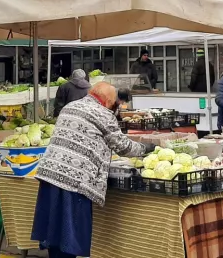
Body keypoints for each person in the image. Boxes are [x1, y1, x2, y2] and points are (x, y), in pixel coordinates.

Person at [33, 82, 150, 258]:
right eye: (112, 103)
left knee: (53, 231)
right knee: (69, 234)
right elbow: (123, 147)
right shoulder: (103, 114)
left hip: (50, 173)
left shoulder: (70, 106)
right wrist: (147, 148)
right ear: (107, 100)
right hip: (75, 178)